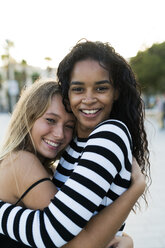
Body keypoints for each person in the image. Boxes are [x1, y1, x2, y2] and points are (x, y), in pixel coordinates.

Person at [0, 40, 150, 247]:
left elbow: (68, 234)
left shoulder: (108, 134)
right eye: (50, 120)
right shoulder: (23, 163)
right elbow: (66, 238)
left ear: (116, 92)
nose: (60, 133)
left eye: (69, 125)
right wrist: (135, 191)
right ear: (27, 119)